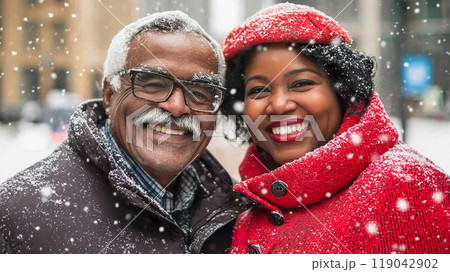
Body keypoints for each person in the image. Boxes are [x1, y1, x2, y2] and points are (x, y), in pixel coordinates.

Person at [0, 11, 249, 253]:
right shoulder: (16, 212)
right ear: (109, 94)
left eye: (201, 92)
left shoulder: (240, 211)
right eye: (152, 84)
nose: (177, 106)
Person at [221, 3, 450, 254]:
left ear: (342, 92)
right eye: (259, 90)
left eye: (301, 83)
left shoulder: (406, 184)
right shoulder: (240, 208)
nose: (278, 105)